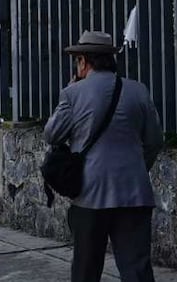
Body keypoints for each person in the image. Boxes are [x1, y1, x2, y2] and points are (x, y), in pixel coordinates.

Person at [43, 30, 164, 282]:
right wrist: (137, 169)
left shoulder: (73, 93)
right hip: (134, 193)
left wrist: (68, 93)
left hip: (90, 194)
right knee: (137, 270)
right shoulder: (139, 90)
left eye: (77, 60)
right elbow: (154, 141)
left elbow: (52, 135)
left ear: (83, 62)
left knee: (86, 269)